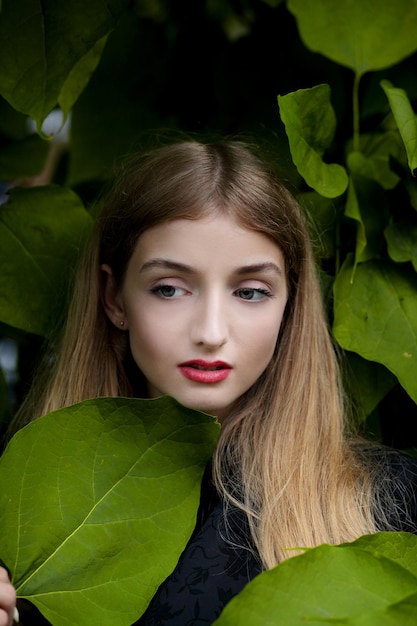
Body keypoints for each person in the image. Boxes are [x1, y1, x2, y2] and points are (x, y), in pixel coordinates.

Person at [0, 139, 416, 625]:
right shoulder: (14, 514)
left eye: (251, 291)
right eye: (170, 289)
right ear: (114, 298)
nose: (211, 332)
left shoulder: (386, 504)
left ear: (291, 305)